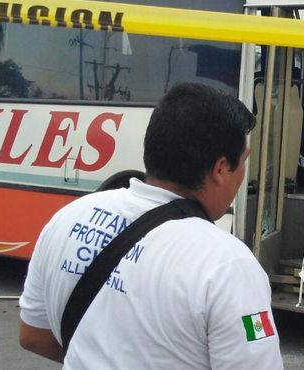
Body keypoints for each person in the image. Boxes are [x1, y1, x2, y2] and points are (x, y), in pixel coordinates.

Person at [19, 83, 283, 369]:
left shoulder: (68, 217)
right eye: (243, 161)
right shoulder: (228, 264)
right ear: (220, 169)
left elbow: (33, 335)